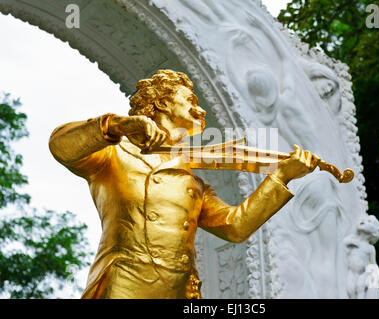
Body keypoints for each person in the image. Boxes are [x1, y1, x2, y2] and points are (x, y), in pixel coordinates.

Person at [48, 69, 320, 299]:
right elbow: (61, 146)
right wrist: (118, 125)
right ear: (163, 103)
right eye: (190, 99)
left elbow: (236, 227)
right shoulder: (113, 154)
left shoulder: (193, 182)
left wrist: (282, 175)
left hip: (181, 289)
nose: (200, 109)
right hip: (124, 281)